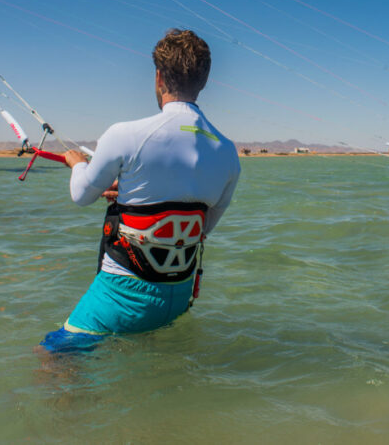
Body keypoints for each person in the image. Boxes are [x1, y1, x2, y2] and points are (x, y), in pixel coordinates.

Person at [39, 29, 241, 353]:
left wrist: (77, 163)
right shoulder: (228, 152)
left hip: (123, 295)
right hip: (179, 296)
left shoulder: (126, 135)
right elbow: (200, 228)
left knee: (53, 356)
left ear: (159, 77)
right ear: (204, 81)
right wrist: (130, 193)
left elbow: (81, 196)